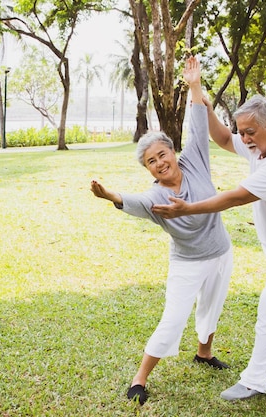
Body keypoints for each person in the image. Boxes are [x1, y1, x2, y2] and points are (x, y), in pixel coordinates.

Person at [151, 84, 266, 401]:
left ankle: (255, 381)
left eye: (250, 132)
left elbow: (235, 197)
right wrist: (203, 102)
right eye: (242, 131)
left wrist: (188, 208)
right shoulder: (261, 146)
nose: (244, 139)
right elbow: (222, 138)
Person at [90, 56, 233, 406]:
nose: (160, 162)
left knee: (213, 306)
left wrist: (195, 86)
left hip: (221, 252)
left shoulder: (195, 159)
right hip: (187, 263)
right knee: (173, 319)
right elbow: (131, 200)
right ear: (149, 169)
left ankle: (204, 352)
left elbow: (197, 124)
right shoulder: (155, 197)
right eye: (151, 161)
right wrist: (108, 194)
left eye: (162, 153)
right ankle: (140, 379)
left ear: (172, 150)